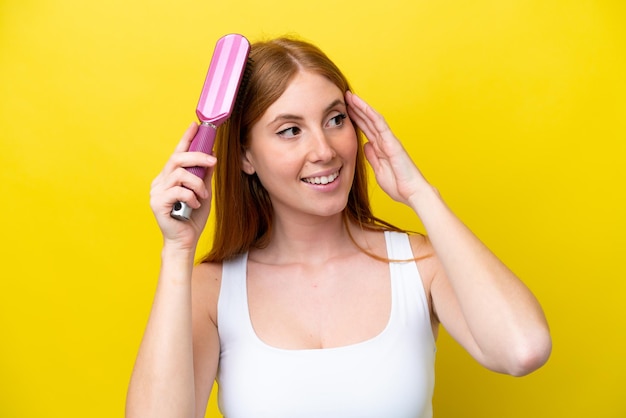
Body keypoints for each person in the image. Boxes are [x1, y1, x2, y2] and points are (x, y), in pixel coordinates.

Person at [126, 37, 551, 418]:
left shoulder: (418, 263)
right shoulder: (211, 290)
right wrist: (177, 252)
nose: (324, 150)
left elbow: (523, 349)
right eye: (291, 130)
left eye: (335, 119)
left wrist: (421, 194)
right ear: (245, 157)